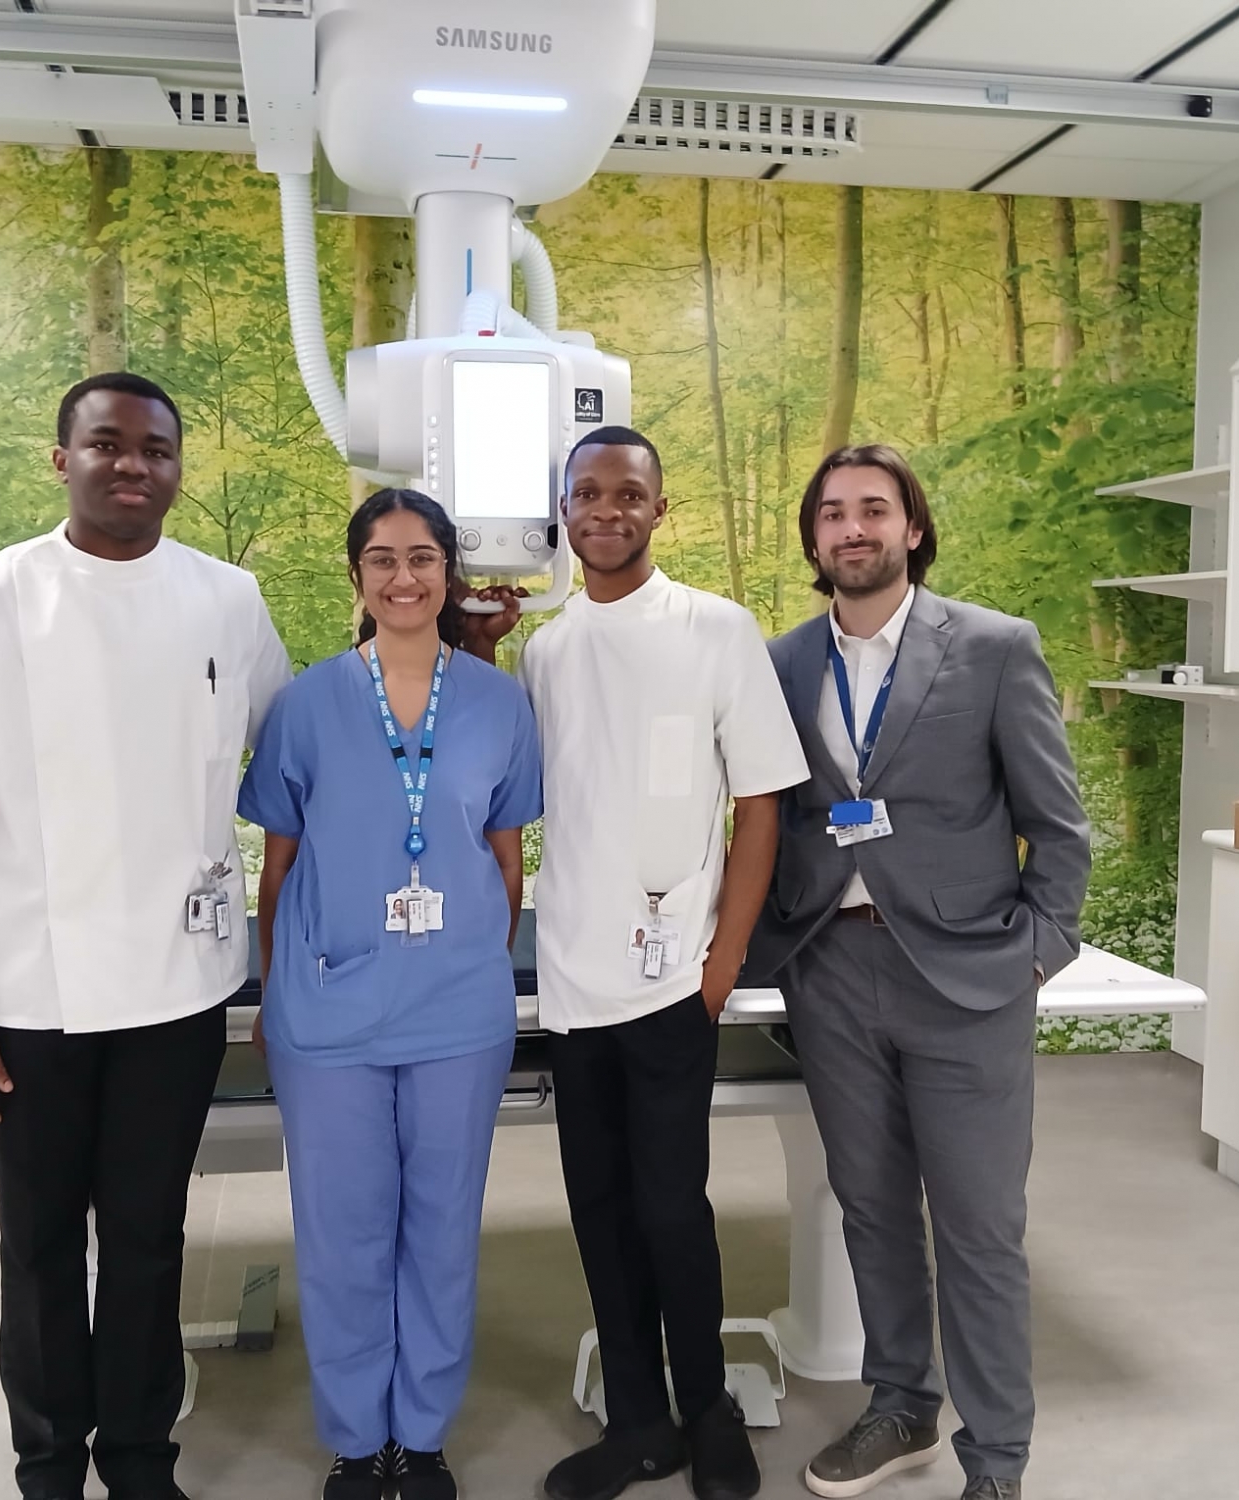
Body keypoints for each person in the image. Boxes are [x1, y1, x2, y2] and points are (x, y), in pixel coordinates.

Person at [0, 372, 291, 1500]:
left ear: (178, 466)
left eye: (156, 449)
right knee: (36, 1250)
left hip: (178, 986)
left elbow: (294, 746)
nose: (133, 466)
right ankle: (46, 1464)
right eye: (107, 445)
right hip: (31, 992)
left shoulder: (226, 599)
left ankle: (138, 1456)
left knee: (147, 1238)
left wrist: (435, 631)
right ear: (59, 457)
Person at [470, 427, 808, 1500]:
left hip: (672, 979)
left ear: (659, 510)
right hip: (572, 981)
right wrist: (475, 647)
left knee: (672, 1206)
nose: (605, 510)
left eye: (627, 493)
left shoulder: (714, 631)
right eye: (585, 493)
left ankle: (707, 1410)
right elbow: (510, 788)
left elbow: (760, 804)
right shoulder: (547, 650)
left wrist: (722, 959)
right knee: (598, 1209)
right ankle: (636, 1423)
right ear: (561, 513)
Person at [748, 444, 1091, 1500]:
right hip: (834, 975)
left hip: (966, 981)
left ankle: (996, 1462)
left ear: (911, 527)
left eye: (873, 509)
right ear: (811, 539)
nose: (851, 528)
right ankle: (899, 1406)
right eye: (832, 514)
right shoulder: (781, 662)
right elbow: (772, 816)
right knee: (870, 1210)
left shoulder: (990, 648)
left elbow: (1058, 827)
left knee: (980, 1230)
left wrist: (1034, 953)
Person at [239, 488, 544, 1500]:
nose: (404, 578)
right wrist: (275, 992)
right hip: (327, 1011)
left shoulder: (499, 705)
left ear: (448, 572)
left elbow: (503, 864)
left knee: (441, 1226)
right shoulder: (307, 705)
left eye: (422, 558)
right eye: (382, 560)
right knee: (342, 1233)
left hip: (456, 1012)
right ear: (356, 578)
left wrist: (462, 962)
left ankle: (419, 1435)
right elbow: (279, 868)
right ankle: (353, 1436)